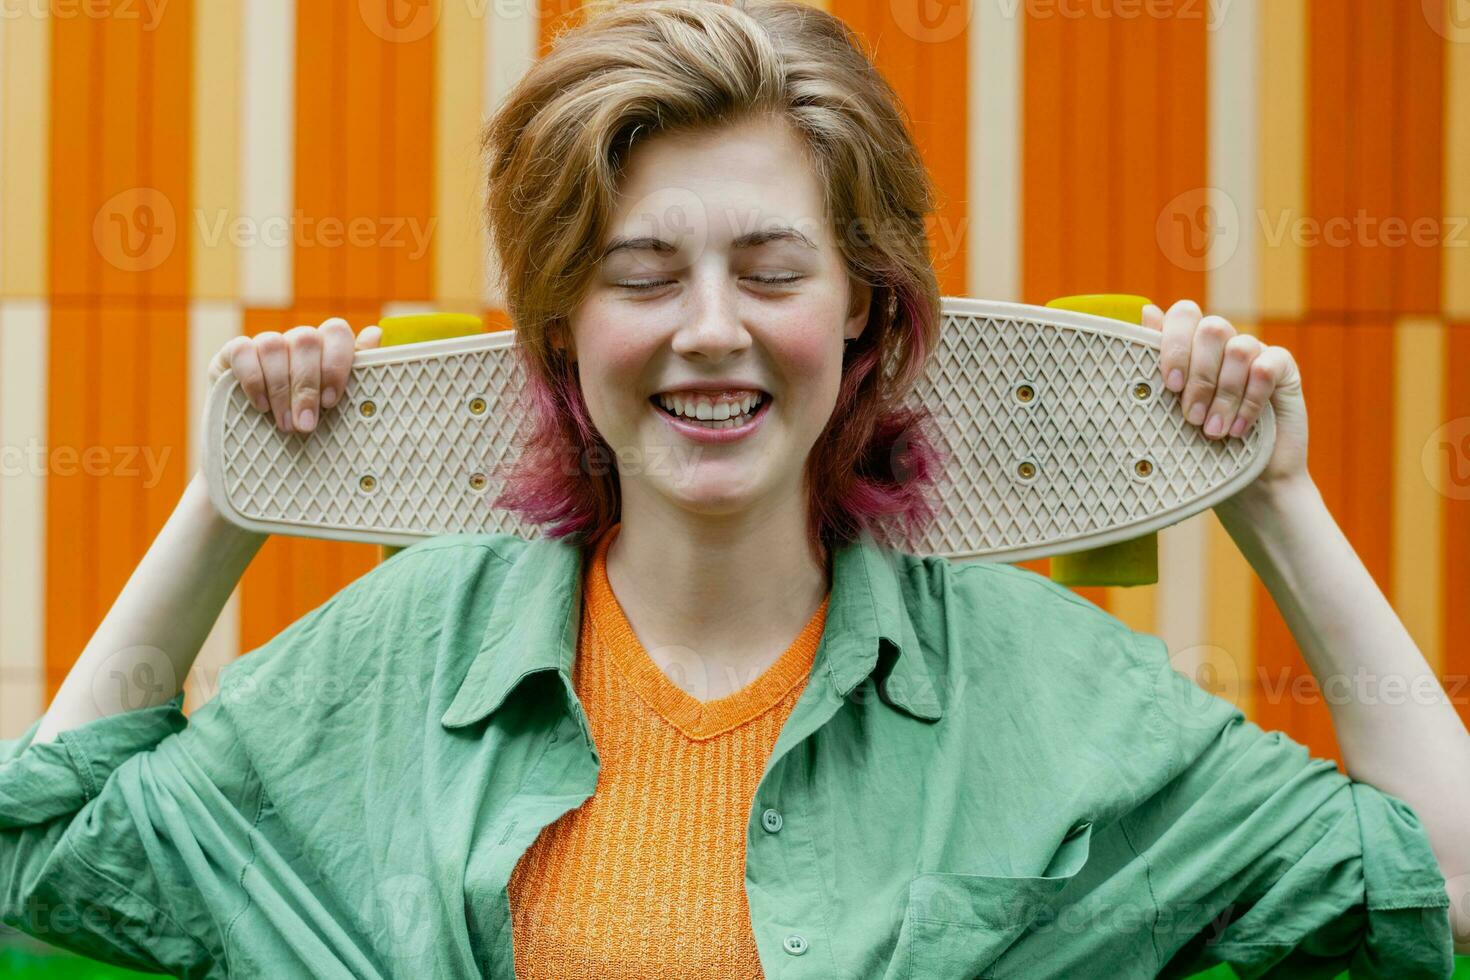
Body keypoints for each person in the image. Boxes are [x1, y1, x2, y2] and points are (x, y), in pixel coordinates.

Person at [1, 1, 1459, 977]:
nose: (709, 328)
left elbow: (1444, 889)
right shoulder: (401, 651)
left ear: (864, 316)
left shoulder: (1049, 690)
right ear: (564, 331)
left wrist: (1275, 500)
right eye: (640, 276)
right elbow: (48, 849)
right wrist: (227, 501)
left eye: (770, 273)